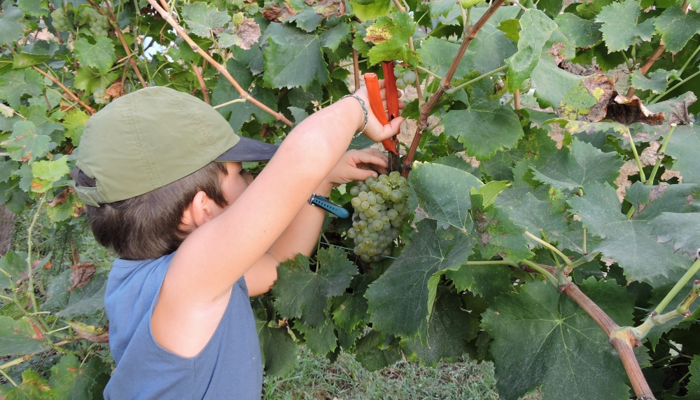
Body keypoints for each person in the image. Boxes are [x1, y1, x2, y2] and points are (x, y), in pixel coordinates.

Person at [72, 83, 403, 399]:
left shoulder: (154, 276)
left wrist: (323, 179)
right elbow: (304, 156)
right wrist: (358, 107)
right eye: (242, 172)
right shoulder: (192, 278)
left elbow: (281, 262)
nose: (251, 178)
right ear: (203, 211)